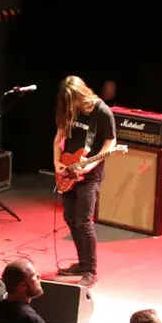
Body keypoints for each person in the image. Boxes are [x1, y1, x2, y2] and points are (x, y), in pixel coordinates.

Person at [53, 75, 116, 288]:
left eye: (72, 101)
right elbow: (59, 138)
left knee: (84, 221)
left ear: (80, 95)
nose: (70, 106)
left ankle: (90, 270)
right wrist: (56, 162)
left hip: (90, 175)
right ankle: (82, 263)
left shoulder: (102, 111)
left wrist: (90, 166)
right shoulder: (69, 109)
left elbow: (110, 142)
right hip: (68, 170)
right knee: (70, 218)